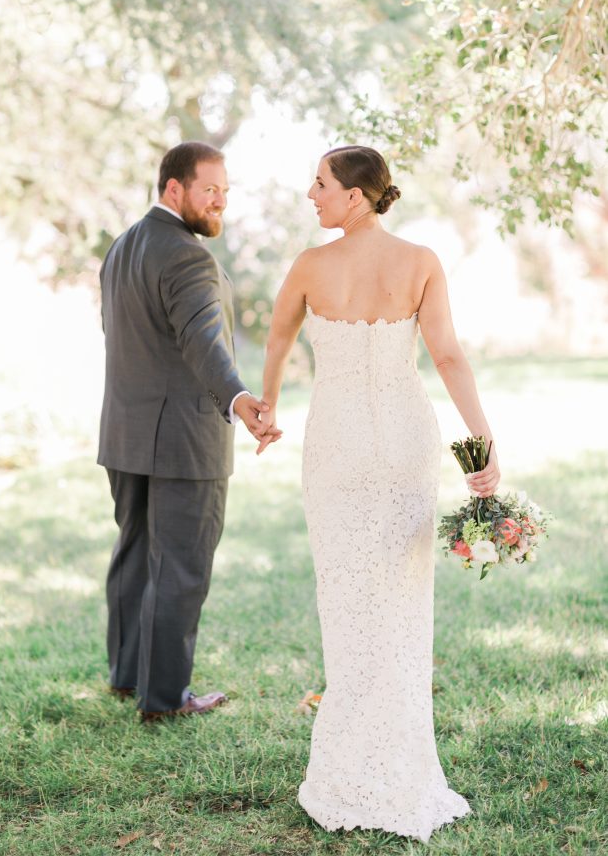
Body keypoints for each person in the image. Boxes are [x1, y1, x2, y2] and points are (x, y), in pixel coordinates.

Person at [259, 145, 500, 842]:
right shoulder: (419, 262)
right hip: (402, 439)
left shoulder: (309, 267)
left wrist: (268, 409)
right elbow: (447, 355)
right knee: (399, 606)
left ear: (357, 196)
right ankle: (398, 771)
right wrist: (481, 443)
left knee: (345, 602)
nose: (311, 194)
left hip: (335, 445)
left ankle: (351, 770)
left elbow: (276, 340)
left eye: (321, 184)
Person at [97, 141, 278, 722]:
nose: (221, 201)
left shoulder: (123, 247)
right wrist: (239, 399)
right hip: (181, 438)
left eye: (225, 191)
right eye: (209, 190)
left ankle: (129, 677)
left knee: (134, 555)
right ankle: (165, 697)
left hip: (126, 433)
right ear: (174, 189)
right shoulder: (189, 257)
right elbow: (203, 341)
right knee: (180, 565)